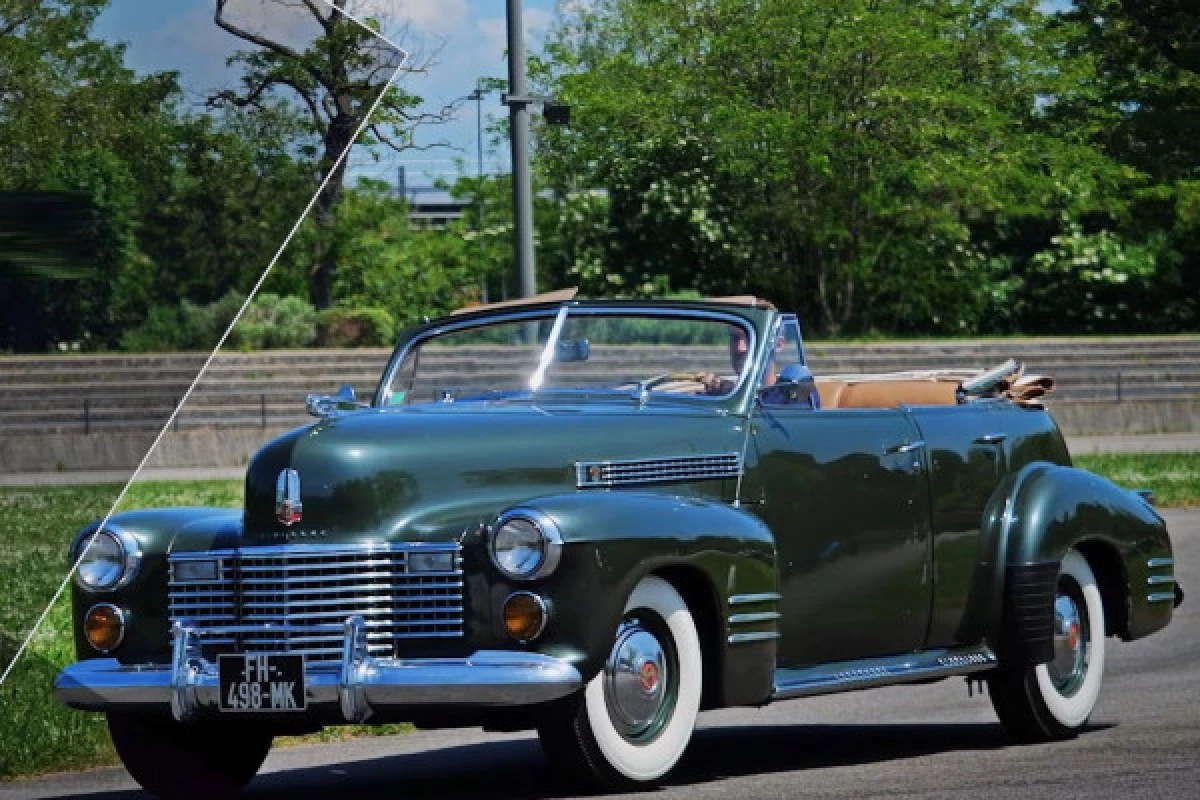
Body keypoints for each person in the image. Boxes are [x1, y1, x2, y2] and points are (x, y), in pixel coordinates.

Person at [700, 325, 777, 395]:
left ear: (778, 344)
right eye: (735, 338)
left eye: (749, 338)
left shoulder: (786, 400)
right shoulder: (724, 395)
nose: (740, 348)